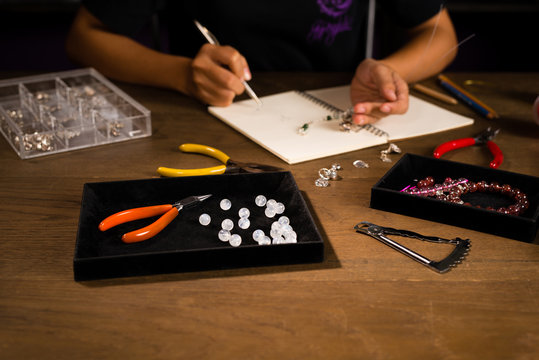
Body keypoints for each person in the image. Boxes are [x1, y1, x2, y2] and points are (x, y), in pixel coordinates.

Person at [66, 1, 458, 125]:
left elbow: (441, 35)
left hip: (340, 108)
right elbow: (85, 36)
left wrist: (391, 71)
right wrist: (183, 75)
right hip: (205, 115)